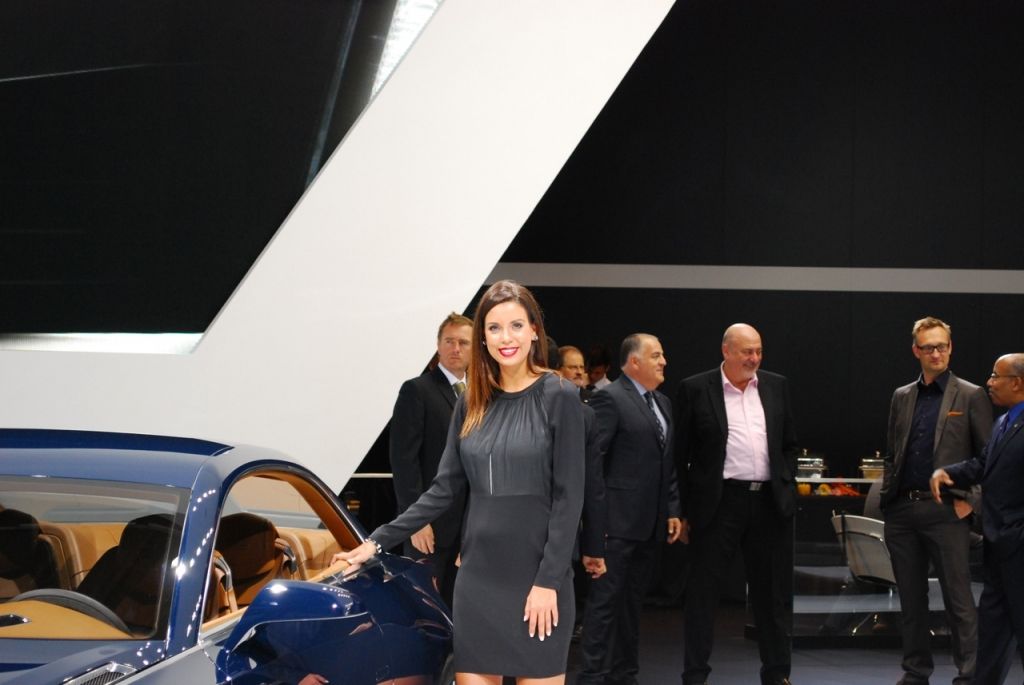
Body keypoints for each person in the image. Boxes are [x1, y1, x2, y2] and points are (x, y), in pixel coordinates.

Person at [338, 280, 585, 685]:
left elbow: (568, 498)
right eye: (494, 328)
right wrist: (376, 541)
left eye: (516, 326)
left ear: (534, 331)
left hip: (537, 578)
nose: (506, 338)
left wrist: (548, 582)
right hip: (478, 581)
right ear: (483, 338)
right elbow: (443, 488)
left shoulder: (559, 395)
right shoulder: (471, 401)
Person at [675, 323, 799, 685]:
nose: (754, 358)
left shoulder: (776, 386)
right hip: (718, 503)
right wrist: (681, 511)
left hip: (769, 503)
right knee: (703, 595)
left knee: (772, 596)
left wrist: (785, 482)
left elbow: (789, 444)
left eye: (758, 351)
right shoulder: (696, 388)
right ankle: (695, 675)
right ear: (726, 351)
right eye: (747, 352)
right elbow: (679, 454)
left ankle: (777, 674)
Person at [880, 317, 990, 685]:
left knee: (958, 599)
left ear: (950, 347)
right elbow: (893, 453)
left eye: (942, 346)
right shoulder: (902, 396)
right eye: (928, 347)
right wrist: (889, 500)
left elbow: (989, 456)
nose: (936, 353)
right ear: (916, 351)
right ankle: (916, 671)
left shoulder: (971, 395)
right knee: (911, 601)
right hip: (903, 511)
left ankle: (970, 675)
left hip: (947, 510)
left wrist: (971, 502)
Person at [576, 333, 683, 685]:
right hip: (614, 526)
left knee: (632, 606)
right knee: (604, 605)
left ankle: (624, 675)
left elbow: (666, 464)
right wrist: (595, 522)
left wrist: (672, 509)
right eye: (656, 355)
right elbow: (592, 462)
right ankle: (592, 677)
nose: (664, 361)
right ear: (634, 362)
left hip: (649, 526)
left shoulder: (662, 403)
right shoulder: (609, 398)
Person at [931, 353, 1024, 684]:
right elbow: (983, 464)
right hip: (998, 546)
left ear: (1017, 383)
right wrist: (948, 472)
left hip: (1018, 543)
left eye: (996, 376)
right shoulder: (1003, 422)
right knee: (993, 631)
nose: (989, 382)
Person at [388, 312, 473, 607]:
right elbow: (403, 461)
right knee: (424, 609)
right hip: (429, 527)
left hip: (468, 527)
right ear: (438, 346)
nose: (456, 349)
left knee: (458, 609)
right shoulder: (417, 390)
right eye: (449, 341)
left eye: (463, 342)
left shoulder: (481, 396)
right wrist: (415, 521)